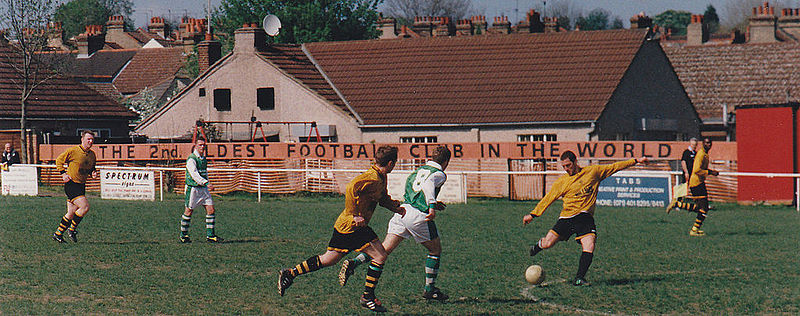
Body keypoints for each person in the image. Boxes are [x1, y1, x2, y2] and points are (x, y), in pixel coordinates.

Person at [277, 145, 406, 313]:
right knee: (380, 256)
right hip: (352, 226)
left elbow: (382, 198)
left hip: (347, 226)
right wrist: (355, 214)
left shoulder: (380, 177)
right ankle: (367, 296)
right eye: (394, 163)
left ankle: (289, 273)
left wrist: (395, 208)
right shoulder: (372, 177)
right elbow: (350, 187)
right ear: (390, 163)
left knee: (329, 259)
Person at [338, 145, 451, 301]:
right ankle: (429, 289)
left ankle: (353, 263)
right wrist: (431, 205)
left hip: (403, 211)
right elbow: (427, 185)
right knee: (435, 251)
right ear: (446, 161)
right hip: (418, 216)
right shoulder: (439, 173)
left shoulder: (419, 170)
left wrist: (428, 202)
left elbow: (415, 187)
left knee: (383, 249)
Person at [523, 151, 647, 286]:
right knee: (548, 243)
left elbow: (615, 166)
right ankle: (538, 246)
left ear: (576, 162)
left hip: (585, 217)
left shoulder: (593, 172)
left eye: (568, 165)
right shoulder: (562, 182)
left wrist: (636, 160)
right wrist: (533, 214)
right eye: (563, 166)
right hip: (567, 218)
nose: (566, 169)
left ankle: (579, 278)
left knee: (589, 245)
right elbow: (549, 198)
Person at [52, 131, 98, 243]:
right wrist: (63, 173)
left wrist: (93, 172)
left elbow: (92, 167)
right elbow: (59, 160)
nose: (90, 141)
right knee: (85, 207)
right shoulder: (73, 151)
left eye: (92, 139)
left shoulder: (92, 154)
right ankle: (72, 229)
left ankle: (58, 234)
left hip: (81, 185)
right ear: (82, 139)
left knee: (71, 212)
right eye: (88, 139)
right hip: (72, 184)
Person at [666, 138, 718, 236]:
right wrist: (710, 172)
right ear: (703, 144)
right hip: (696, 182)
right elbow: (697, 169)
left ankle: (678, 205)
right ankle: (694, 230)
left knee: (701, 207)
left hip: (697, 182)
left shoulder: (702, 153)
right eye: (707, 143)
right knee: (704, 208)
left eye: (710, 143)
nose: (709, 144)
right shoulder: (699, 154)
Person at [180, 138, 222, 243]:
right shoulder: (192, 159)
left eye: (204, 145)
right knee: (188, 211)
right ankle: (183, 235)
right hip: (193, 188)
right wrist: (206, 183)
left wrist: (207, 182)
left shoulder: (203, 159)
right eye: (200, 145)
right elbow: (194, 174)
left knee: (211, 209)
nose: (202, 147)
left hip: (203, 189)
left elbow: (204, 173)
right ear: (195, 146)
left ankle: (210, 235)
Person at [666, 138, 698, 212]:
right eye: (693, 145)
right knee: (683, 189)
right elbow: (683, 162)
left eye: (695, 145)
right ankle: (677, 204)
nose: (694, 146)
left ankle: (697, 206)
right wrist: (686, 172)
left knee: (695, 189)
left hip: (694, 175)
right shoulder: (686, 152)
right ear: (690, 144)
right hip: (687, 174)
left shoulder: (696, 153)